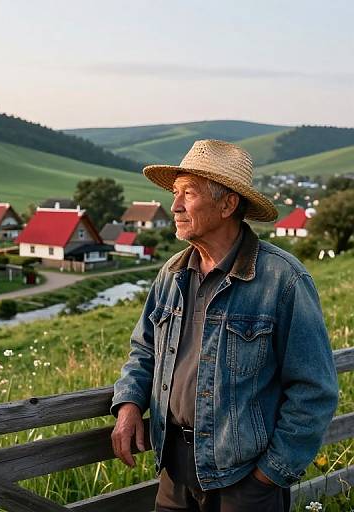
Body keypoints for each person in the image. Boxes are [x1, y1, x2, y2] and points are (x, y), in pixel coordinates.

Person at [110, 139, 338, 512]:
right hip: (174, 472)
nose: (175, 205)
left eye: (189, 193)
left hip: (244, 480)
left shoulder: (283, 280)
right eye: (175, 192)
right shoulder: (172, 274)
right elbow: (144, 350)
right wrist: (129, 403)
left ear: (228, 204)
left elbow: (315, 390)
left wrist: (269, 474)